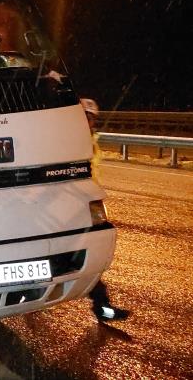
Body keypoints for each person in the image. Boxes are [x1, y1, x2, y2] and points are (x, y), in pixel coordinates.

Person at [81, 98, 131, 322]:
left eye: (92, 118)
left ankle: (102, 306)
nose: (89, 122)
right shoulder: (66, 141)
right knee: (83, 258)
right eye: (85, 116)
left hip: (86, 207)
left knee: (89, 257)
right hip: (74, 207)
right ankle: (102, 306)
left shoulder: (89, 140)